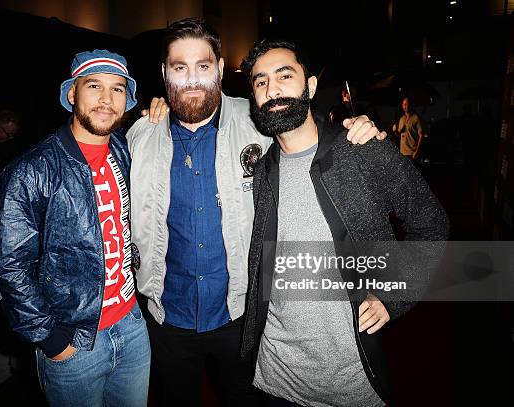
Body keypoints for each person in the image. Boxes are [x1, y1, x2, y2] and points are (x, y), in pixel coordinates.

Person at [126, 18, 386, 406]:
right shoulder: (139, 135)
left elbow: (305, 129)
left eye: (203, 66)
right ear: (164, 73)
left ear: (218, 68)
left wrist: (358, 130)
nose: (192, 79)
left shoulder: (257, 122)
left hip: (244, 316)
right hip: (167, 320)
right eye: (179, 68)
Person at [239, 39, 449, 406]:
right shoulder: (262, 171)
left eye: (284, 76)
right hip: (273, 377)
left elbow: (431, 225)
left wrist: (392, 296)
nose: (272, 89)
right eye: (260, 82)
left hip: (351, 383)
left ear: (311, 86)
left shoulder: (364, 150)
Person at [0, 49, 150, 407]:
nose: (107, 99)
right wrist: (51, 340)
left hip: (132, 324)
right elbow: (10, 267)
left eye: (118, 89)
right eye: (95, 86)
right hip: (73, 341)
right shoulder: (31, 172)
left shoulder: (124, 151)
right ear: (72, 94)